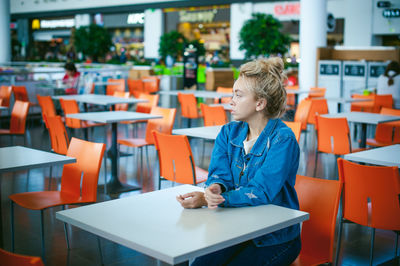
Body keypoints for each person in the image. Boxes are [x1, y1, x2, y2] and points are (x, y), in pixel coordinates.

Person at [176, 57, 301, 266]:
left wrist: (210, 200)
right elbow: (219, 174)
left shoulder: (282, 139)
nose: (230, 101)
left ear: (260, 103)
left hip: (275, 237)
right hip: (234, 228)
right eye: (233, 93)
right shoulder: (227, 133)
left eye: (238, 95)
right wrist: (215, 188)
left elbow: (260, 191)